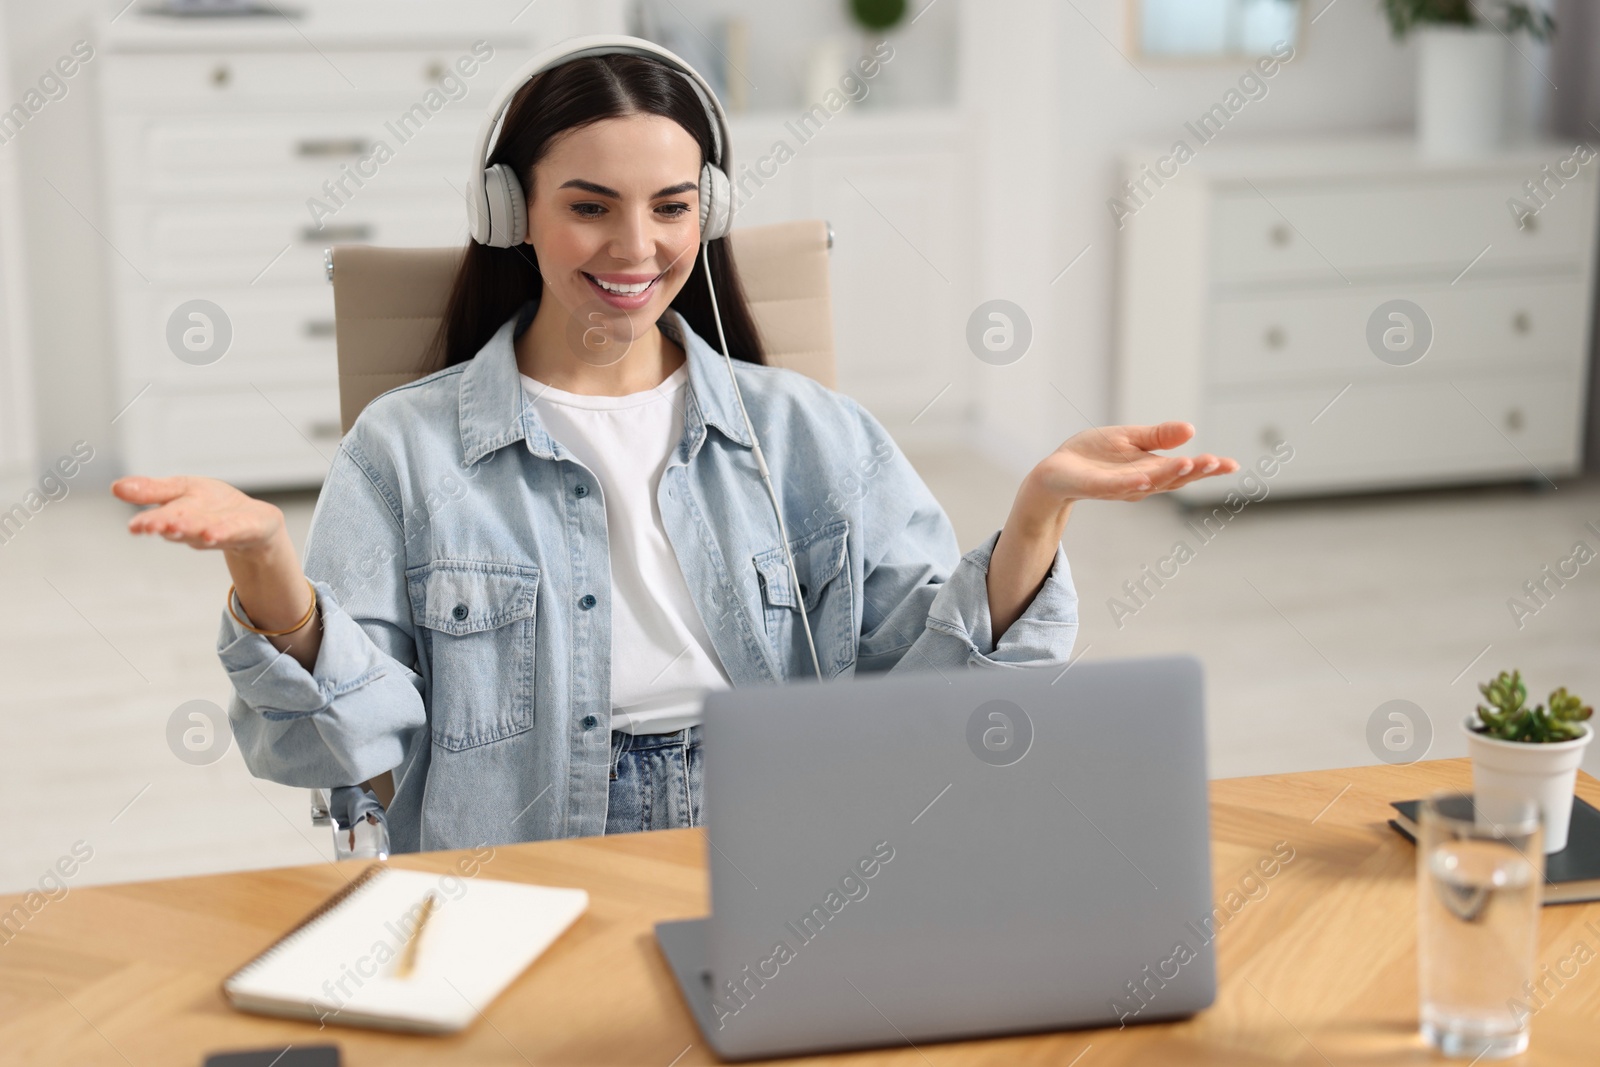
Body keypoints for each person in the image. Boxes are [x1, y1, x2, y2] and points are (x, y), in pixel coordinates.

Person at [109, 43, 1238, 852]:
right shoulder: (402, 449)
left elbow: (929, 700)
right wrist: (267, 567)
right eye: (590, 206)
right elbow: (346, 755)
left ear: (710, 212)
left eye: (671, 206)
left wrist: (1036, 509)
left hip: (791, 834)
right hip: (526, 847)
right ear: (511, 211)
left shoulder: (812, 433)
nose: (636, 246)